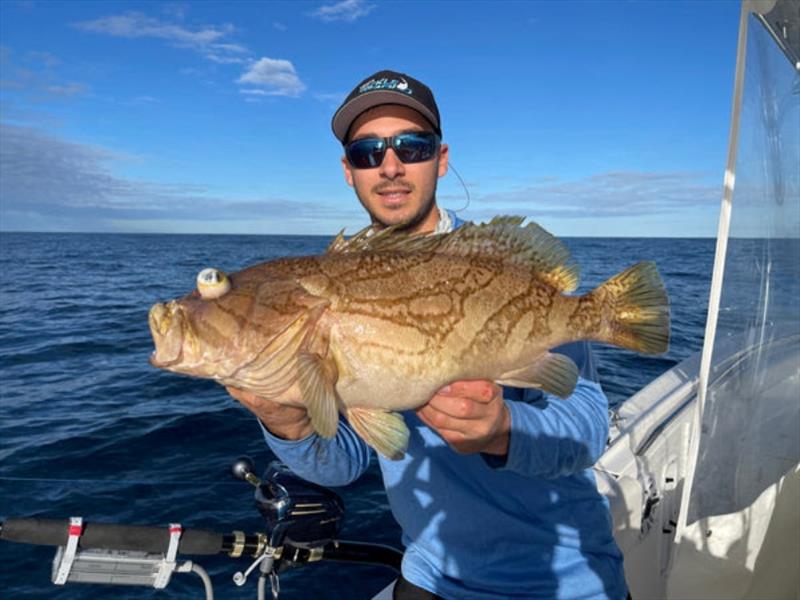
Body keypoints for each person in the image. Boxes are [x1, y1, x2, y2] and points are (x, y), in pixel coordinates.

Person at [228, 70, 627, 600]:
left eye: (410, 146)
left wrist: (504, 428)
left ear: (440, 158)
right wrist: (287, 422)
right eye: (368, 152)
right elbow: (348, 461)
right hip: (429, 577)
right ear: (349, 171)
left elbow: (588, 426)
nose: (390, 166)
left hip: (561, 579)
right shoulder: (337, 276)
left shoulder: (495, 271)